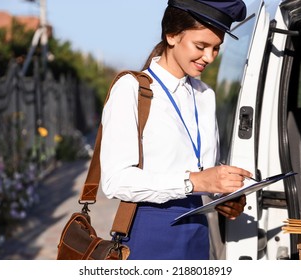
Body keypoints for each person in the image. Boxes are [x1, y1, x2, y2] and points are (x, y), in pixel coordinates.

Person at [100, 0, 251, 260]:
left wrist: (224, 195)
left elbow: (204, 170)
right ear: (171, 35)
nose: (209, 57)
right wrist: (194, 181)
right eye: (201, 46)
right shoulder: (131, 89)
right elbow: (115, 182)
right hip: (149, 234)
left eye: (216, 48)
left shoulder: (206, 95)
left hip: (198, 234)